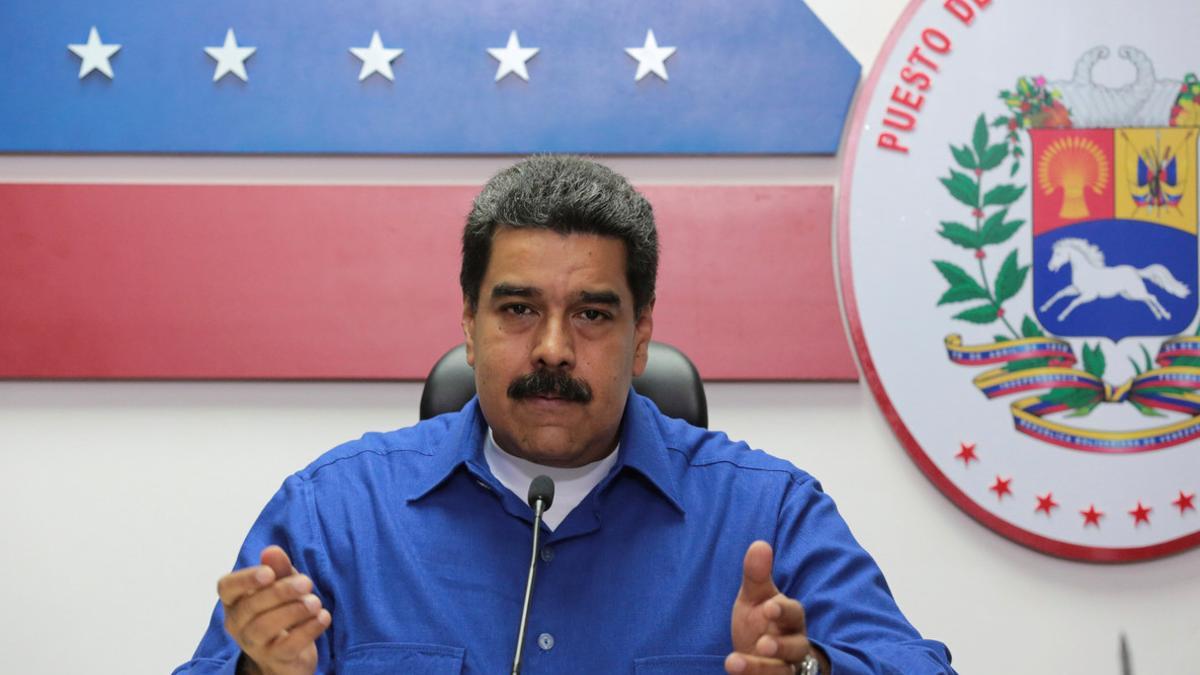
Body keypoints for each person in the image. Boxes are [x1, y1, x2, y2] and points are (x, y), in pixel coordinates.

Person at [175, 156, 955, 675]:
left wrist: (809, 667)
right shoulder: (337, 513)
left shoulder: (766, 512)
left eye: (591, 314)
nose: (552, 348)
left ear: (640, 337)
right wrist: (260, 670)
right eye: (518, 308)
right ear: (469, 326)